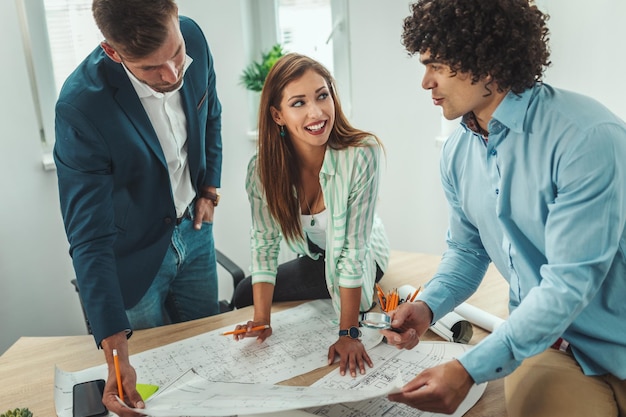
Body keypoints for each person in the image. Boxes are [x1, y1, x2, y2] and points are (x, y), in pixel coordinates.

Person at [382, 1, 626, 416]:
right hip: (550, 347)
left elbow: (569, 284)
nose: (426, 82)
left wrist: (469, 368)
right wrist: (427, 307)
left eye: (437, 65)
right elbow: (468, 250)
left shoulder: (587, 139)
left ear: (488, 63)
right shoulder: (457, 152)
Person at [53, 0, 222, 415]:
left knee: (210, 363)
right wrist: (115, 355)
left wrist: (209, 189)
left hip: (196, 235)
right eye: (150, 68)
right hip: (133, 258)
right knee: (154, 381)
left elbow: (211, 113)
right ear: (113, 51)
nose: (172, 74)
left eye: (176, 54)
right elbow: (88, 237)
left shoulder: (193, 35)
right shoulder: (80, 108)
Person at [231, 53, 390, 378]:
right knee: (244, 293)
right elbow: (264, 244)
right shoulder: (261, 170)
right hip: (317, 255)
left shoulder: (361, 154)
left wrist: (349, 334)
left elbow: (352, 250)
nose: (317, 112)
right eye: (299, 103)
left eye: (322, 95)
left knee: (358, 301)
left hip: (364, 253)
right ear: (277, 115)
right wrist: (262, 320)